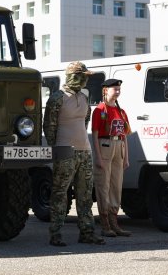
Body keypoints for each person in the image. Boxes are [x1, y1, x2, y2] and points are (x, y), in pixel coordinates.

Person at [43, 61, 105, 247]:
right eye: (83, 77)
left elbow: (85, 122)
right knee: (60, 193)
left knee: (85, 194)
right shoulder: (57, 98)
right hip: (65, 151)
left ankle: (87, 232)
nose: (85, 81)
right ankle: (56, 233)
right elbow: (49, 127)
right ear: (73, 76)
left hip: (84, 151)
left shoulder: (84, 98)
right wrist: (58, 148)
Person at [92, 78, 132, 237]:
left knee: (116, 186)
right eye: (114, 88)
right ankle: (105, 224)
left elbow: (125, 135)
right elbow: (94, 135)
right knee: (103, 186)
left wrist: (126, 157)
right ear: (105, 90)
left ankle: (115, 223)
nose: (117, 91)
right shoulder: (100, 110)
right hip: (105, 146)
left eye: (119, 88)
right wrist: (98, 157)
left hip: (119, 147)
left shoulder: (121, 111)